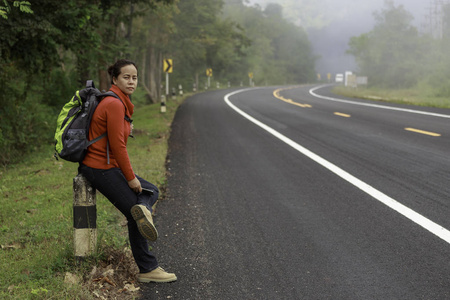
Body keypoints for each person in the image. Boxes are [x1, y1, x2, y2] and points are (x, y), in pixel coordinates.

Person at [78, 59, 176, 283]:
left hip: (105, 165)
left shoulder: (119, 101)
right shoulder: (114, 104)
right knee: (135, 211)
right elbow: (117, 146)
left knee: (150, 191)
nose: (132, 81)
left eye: (134, 77)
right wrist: (131, 178)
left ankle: (143, 211)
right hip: (99, 167)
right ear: (115, 79)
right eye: (126, 77)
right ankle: (148, 269)